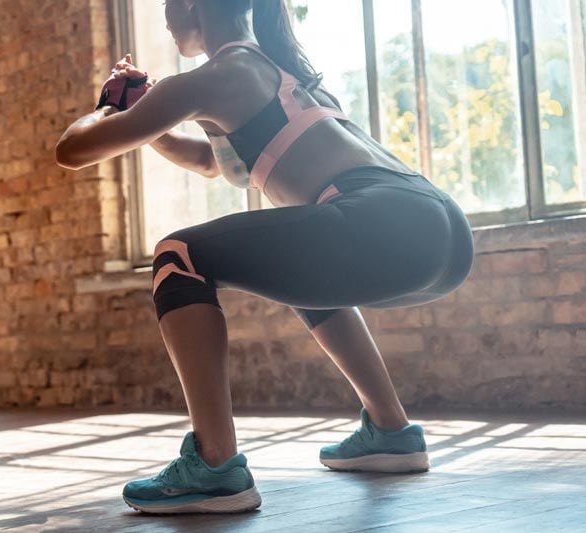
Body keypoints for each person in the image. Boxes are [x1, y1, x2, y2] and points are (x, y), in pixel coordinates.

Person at [55, 0, 474, 515]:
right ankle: (391, 432)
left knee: (177, 255)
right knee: (307, 272)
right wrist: (151, 118)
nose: (164, 16)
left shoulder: (216, 73)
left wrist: (110, 106)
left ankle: (215, 468)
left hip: (382, 219)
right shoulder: (283, 72)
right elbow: (214, 161)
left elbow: (71, 150)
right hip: (439, 230)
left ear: (191, 5)